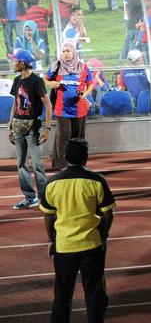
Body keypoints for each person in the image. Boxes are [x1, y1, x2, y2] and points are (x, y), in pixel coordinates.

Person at [40, 138, 115, 323]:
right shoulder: (97, 180)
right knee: (94, 293)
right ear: (86, 158)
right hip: (91, 244)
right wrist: (103, 234)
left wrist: (52, 240)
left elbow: (48, 216)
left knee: (63, 293)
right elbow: (108, 214)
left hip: (64, 247)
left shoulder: (53, 183)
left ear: (65, 157)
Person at [9, 49, 52, 210]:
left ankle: (44, 197)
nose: (14, 63)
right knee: (21, 163)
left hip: (33, 128)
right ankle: (29, 197)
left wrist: (47, 129)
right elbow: (16, 104)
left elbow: (48, 104)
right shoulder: (16, 80)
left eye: (16, 61)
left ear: (23, 63)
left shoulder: (36, 81)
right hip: (18, 127)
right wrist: (10, 126)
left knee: (37, 164)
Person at [45, 42, 93, 170]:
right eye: (63, 51)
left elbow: (91, 84)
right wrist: (51, 84)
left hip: (80, 108)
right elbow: (45, 79)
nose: (65, 53)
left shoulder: (83, 67)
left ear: (74, 52)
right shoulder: (57, 66)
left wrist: (86, 94)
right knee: (64, 135)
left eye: (68, 51)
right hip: (62, 108)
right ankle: (62, 165)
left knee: (78, 138)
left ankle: (79, 163)